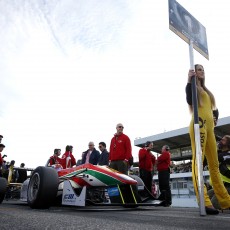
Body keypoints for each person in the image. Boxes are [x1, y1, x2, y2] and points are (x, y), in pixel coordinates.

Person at [186, 64, 230, 214]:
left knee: (215, 165)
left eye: (203, 70)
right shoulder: (194, 88)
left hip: (210, 129)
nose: (202, 71)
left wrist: (216, 117)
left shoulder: (207, 91)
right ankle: (204, 201)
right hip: (200, 125)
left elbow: (215, 109)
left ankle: (225, 200)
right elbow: (189, 100)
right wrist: (188, 80)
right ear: (194, 72)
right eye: (199, 69)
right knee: (198, 162)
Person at [208, 135, 230, 209]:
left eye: (223, 140)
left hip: (227, 185)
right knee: (205, 200)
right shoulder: (219, 154)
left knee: (214, 204)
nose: (221, 141)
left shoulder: (226, 155)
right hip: (219, 186)